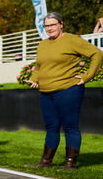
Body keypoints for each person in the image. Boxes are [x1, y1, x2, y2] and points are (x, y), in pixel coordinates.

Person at [25, 12, 103, 170]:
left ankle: (70, 163)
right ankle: (46, 161)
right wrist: (34, 78)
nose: (50, 28)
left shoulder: (72, 40)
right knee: (51, 127)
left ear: (61, 24)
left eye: (53, 24)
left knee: (70, 126)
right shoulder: (43, 44)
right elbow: (40, 66)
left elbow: (97, 53)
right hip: (46, 93)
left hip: (68, 90)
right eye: (47, 25)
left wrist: (87, 76)